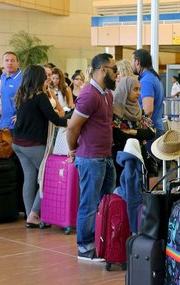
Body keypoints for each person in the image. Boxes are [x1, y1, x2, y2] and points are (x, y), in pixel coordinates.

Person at [66, 53, 117, 262]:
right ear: (103, 70)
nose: (117, 74)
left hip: (105, 156)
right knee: (89, 203)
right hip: (90, 158)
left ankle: (101, 242)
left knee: (105, 203)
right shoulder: (89, 95)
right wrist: (72, 149)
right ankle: (85, 247)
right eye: (114, 70)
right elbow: (73, 127)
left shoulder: (106, 94)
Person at [12, 65, 67, 228]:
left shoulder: (22, 95)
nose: (47, 78)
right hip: (33, 144)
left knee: (29, 177)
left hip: (18, 143)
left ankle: (30, 215)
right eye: (45, 76)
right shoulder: (40, 96)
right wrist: (74, 121)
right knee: (48, 176)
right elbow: (55, 119)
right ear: (38, 78)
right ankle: (35, 213)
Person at [111, 76, 155, 185]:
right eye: (135, 89)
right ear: (125, 89)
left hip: (139, 156)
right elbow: (117, 135)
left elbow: (151, 132)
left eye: (140, 89)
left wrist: (131, 132)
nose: (138, 93)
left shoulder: (138, 110)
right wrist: (140, 134)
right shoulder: (113, 111)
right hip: (120, 159)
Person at [132, 49, 165, 138]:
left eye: (132, 61)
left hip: (151, 130)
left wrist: (140, 131)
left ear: (137, 62)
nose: (132, 65)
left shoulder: (146, 80)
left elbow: (148, 110)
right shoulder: (153, 77)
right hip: (157, 127)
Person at [0, 52, 22, 131]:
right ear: (2, 63)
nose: (9, 63)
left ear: (18, 63)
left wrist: (20, 115)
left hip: (16, 124)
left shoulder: (23, 79)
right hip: (3, 123)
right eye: (6, 60)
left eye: (12, 60)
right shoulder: (3, 76)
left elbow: (30, 99)